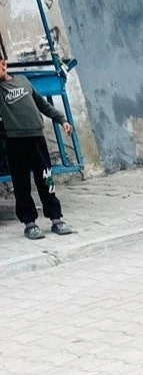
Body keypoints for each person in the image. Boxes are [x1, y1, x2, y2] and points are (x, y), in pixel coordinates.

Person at [1, 56, 74, 240]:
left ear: (3, 64)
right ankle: (29, 223)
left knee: (46, 179)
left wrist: (62, 120)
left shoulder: (22, 81)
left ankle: (56, 218)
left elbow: (42, 104)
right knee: (21, 183)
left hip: (37, 138)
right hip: (15, 142)